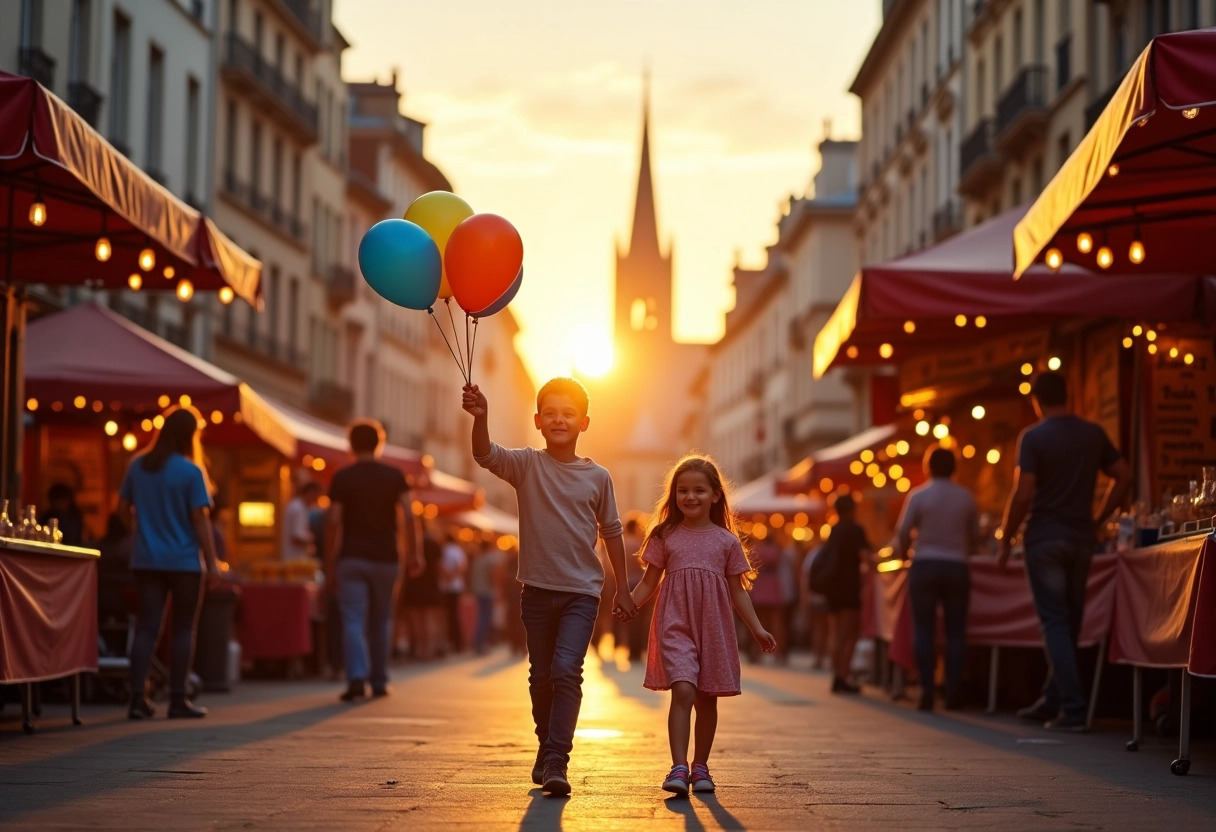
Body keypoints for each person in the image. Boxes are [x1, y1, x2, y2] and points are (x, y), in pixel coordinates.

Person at [462, 377, 637, 797]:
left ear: (584, 423)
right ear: (538, 421)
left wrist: (624, 588)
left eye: (569, 414)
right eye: (552, 414)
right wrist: (481, 417)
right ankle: (546, 747)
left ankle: (557, 758)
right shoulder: (526, 464)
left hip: (582, 592)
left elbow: (612, 531)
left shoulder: (598, 477)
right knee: (540, 676)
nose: (560, 420)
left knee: (565, 671)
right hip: (536, 591)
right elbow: (484, 454)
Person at [624, 454, 776, 796]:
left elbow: (738, 591)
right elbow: (649, 582)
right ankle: (678, 766)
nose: (690, 497)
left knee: (707, 698)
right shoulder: (665, 535)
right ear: (673, 496)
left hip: (714, 628)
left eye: (698, 490)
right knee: (683, 688)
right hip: (675, 623)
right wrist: (629, 604)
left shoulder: (727, 541)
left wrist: (757, 629)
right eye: (682, 491)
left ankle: (701, 766)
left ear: (716, 495)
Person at [997, 371, 1132, 732]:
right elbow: (1124, 474)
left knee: (1054, 622)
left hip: (1044, 539)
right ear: (1067, 396)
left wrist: (1006, 539)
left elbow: (1023, 494)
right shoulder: (1092, 433)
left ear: (1037, 400)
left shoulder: (1034, 437)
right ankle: (1053, 698)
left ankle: (1072, 708)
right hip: (1080, 539)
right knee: (1069, 622)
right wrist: (1100, 518)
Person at [117, 406, 220, 720]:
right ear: (191, 436)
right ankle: (178, 700)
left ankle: (137, 698)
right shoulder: (191, 472)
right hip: (185, 562)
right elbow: (200, 520)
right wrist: (213, 562)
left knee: (147, 627)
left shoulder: (138, 466)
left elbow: (121, 508)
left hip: (147, 558)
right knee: (183, 628)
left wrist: (141, 530)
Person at [325, 419, 422, 702]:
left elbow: (333, 521)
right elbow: (408, 514)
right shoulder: (394, 475)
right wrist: (415, 553)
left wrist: (330, 563)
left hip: (351, 558)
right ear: (380, 443)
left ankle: (356, 676)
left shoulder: (342, 477)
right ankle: (378, 680)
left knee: (353, 618)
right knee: (382, 619)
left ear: (350, 445)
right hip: (386, 558)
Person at [893, 446, 980, 712]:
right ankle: (952, 691)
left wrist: (907, 551)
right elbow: (975, 537)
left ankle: (927, 690)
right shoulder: (966, 497)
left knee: (924, 630)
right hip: (956, 566)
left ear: (927, 466)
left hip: (925, 564)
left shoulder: (918, 495)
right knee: (956, 631)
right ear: (955, 467)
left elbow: (903, 531)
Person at [819, 493, 871, 694]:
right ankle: (843, 676)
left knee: (836, 633)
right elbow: (865, 557)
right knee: (850, 633)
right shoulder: (855, 529)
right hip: (849, 586)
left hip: (832, 587)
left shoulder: (833, 530)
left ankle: (837, 675)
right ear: (852, 509)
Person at [469, 536, 505, 654]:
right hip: (487, 591)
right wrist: (496, 590)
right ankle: (482, 643)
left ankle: (479, 642)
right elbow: (493, 576)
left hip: (478, 591)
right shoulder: (489, 560)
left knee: (481, 616)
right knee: (486, 618)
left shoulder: (477, 560)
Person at [439, 531, 469, 653]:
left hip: (444, 587)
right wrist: (453, 576)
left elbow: (439, 566)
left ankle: (451, 641)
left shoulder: (443, 550)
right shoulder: (458, 550)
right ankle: (458, 642)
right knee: (455, 615)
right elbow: (463, 567)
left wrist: (447, 576)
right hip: (456, 586)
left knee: (447, 616)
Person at [282, 480, 321, 561]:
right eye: (315, 496)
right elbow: (296, 537)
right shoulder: (298, 508)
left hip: (295, 556)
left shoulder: (299, 506)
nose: (315, 500)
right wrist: (313, 541)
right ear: (310, 493)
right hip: (294, 558)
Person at [40, 482, 86, 547]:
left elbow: (78, 540)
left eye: (62, 500)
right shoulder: (47, 517)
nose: (60, 504)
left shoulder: (75, 517)